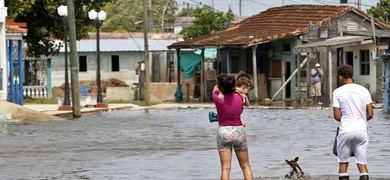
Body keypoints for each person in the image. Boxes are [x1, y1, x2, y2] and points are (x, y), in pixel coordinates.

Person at [332, 65, 374, 180]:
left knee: (343, 164)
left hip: (346, 131)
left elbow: (336, 116)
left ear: (340, 77)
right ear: (352, 76)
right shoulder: (364, 90)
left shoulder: (337, 92)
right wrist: (360, 119)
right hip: (362, 131)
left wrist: (347, 119)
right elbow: (370, 114)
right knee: (362, 164)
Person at [213, 73, 253, 180]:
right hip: (239, 131)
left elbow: (215, 88)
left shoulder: (218, 98)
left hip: (224, 132)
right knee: (245, 166)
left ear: (222, 86)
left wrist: (227, 88)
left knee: (225, 169)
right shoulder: (240, 97)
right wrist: (235, 89)